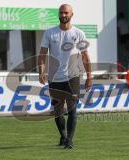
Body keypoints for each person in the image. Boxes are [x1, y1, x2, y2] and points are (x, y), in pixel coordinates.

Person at [38, 4, 92, 149]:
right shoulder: (50, 33)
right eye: (61, 13)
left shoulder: (79, 33)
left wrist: (89, 76)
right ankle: (63, 135)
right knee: (58, 111)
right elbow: (42, 54)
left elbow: (86, 57)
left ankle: (69, 140)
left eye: (66, 13)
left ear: (72, 14)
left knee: (73, 109)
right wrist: (41, 71)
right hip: (54, 78)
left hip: (73, 76)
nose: (63, 15)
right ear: (58, 14)